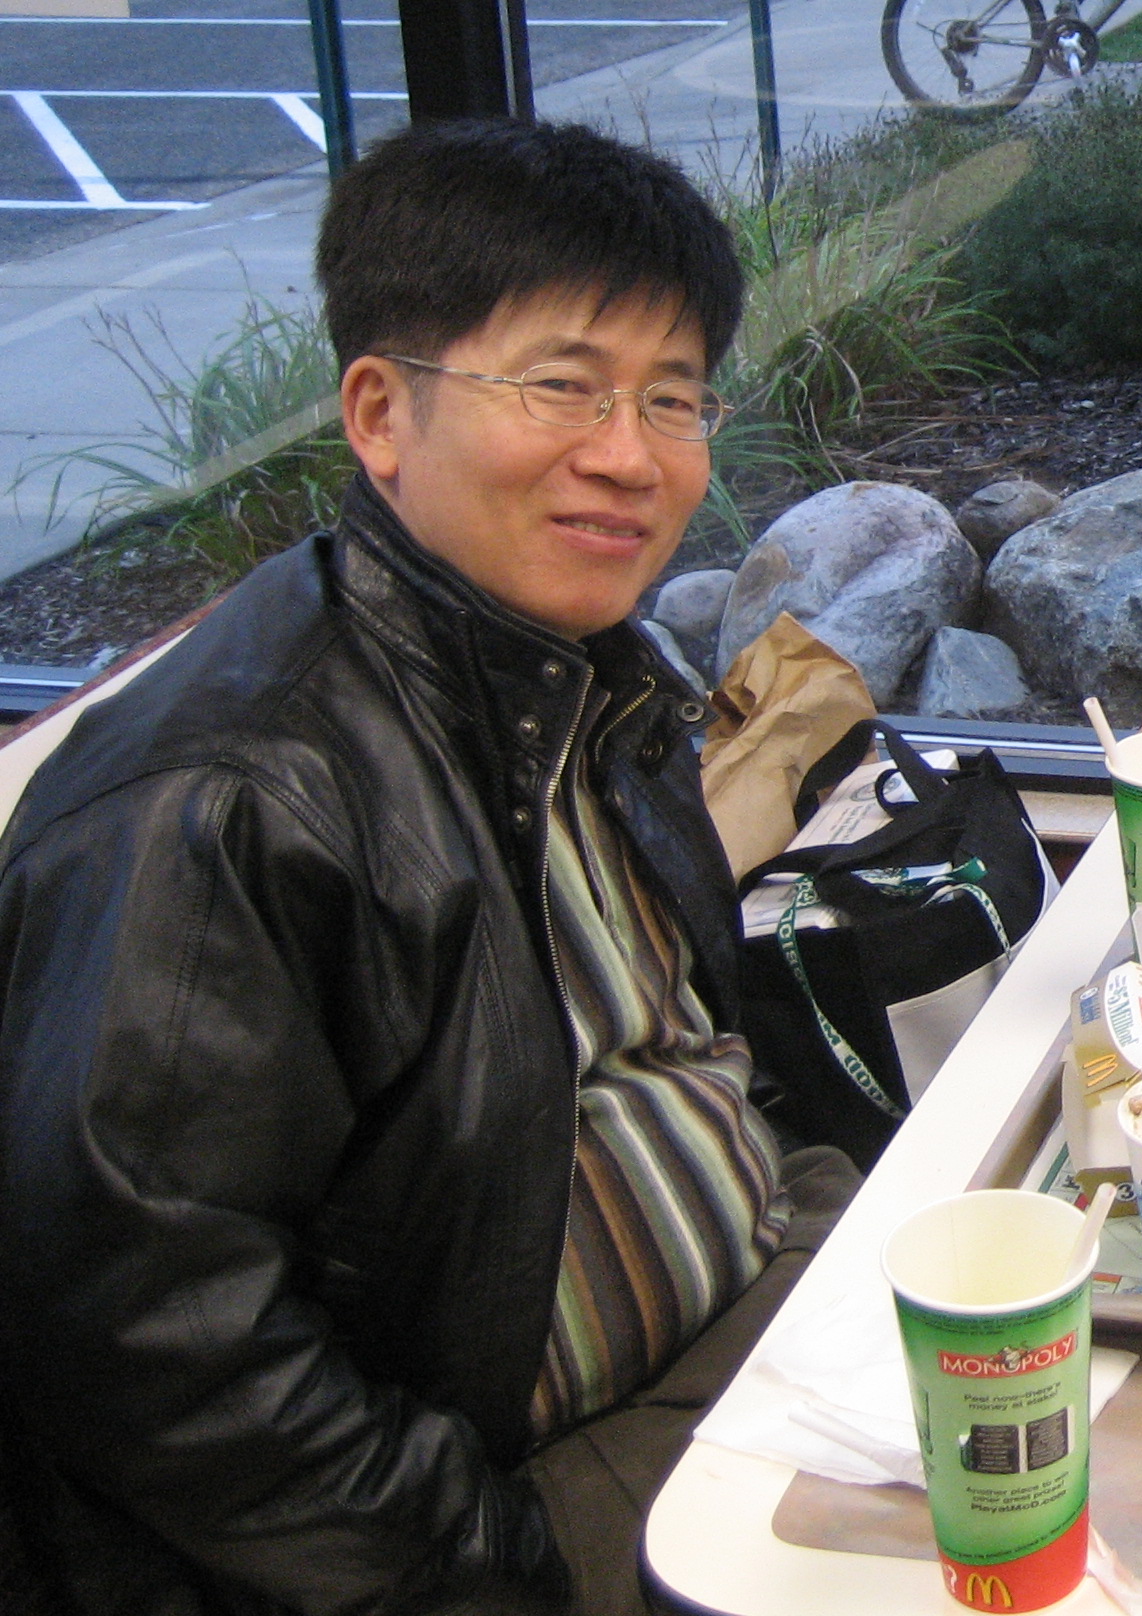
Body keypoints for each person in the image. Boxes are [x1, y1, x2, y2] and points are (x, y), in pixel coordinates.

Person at [0, 120, 856, 1616]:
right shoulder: (229, 804)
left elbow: (660, 1042)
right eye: (562, 385)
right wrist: (500, 1564)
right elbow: (152, 1351)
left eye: (671, 398)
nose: (630, 455)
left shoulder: (591, 680)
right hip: (522, 1498)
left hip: (757, 1286)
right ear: (381, 413)